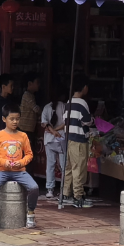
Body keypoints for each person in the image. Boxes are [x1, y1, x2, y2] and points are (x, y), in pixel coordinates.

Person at [0, 103, 39, 231]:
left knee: (34, 187)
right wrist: (3, 162)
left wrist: (22, 162)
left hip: (19, 171)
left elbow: (29, 154)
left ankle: (30, 213)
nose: (15, 122)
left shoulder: (23, 136)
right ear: (4, 119)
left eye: (17, 119)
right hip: (1, 171)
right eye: (12, 119)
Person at [62, 72, 93, 208]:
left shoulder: (69, 103)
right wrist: (93, 120)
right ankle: (78, 196)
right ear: (84, 87)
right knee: (79, 168)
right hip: (79, 140)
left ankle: (66, 193)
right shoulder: (82, 103)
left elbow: (64, 119)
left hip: (69, 139)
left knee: (69, 167)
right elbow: (87, 121)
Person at [41, 91, 66, 199]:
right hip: (61, 138)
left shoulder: (46, 107)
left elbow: (44, 124)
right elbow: (66, 123)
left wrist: (52, 131)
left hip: (49, 139)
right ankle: (63, 190)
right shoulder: (64, 106)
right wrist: (56, 131)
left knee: (50, 165)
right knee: (63, 165)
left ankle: (50, 190)